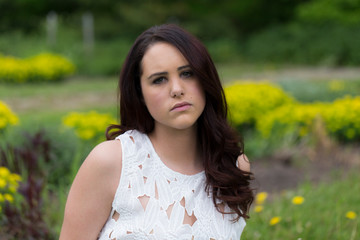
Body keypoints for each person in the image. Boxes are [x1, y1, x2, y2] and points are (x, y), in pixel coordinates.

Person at [60, 23, 254, 240]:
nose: (177, 89)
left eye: (187, 73)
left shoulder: (233, 168)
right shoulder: (112, 162)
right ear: (140, 93)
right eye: (159, 80)